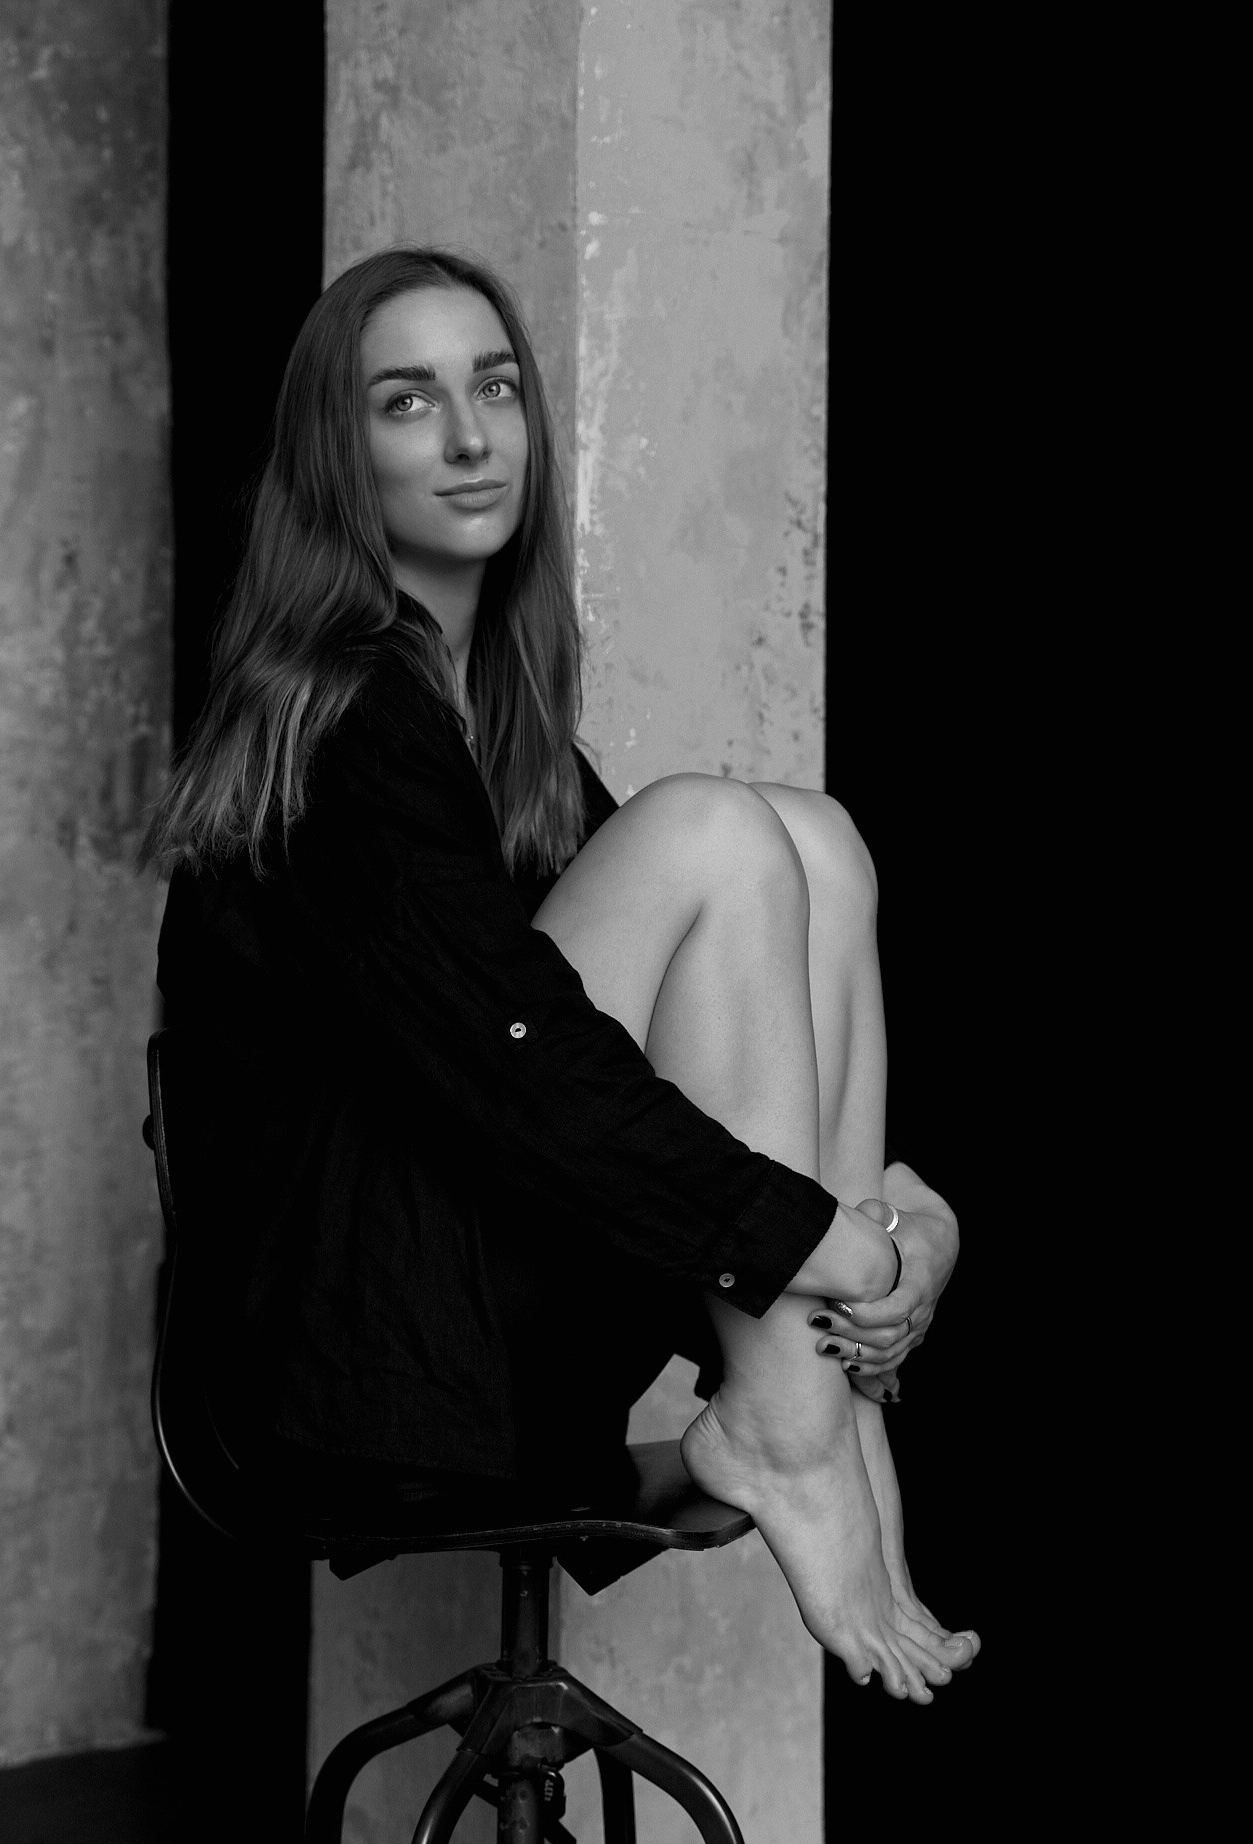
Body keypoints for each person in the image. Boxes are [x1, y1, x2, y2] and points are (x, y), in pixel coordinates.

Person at [144, 247, 979, 1705]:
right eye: (409, 402)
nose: (471, 437)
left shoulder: (500, 721)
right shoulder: (343, 714)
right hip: (361, 1357)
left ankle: (826, 1395)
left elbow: (662, 1069)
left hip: (491, 1290)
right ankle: (797, 1416)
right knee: (713, 834)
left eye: (496, 388)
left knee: (815, 842)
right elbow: (527, 1067)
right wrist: (837, 1246)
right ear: (338, 455)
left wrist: (895, 1239)